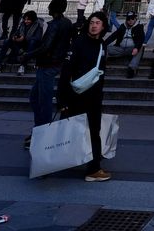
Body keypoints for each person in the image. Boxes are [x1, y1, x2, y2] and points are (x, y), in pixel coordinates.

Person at [61, 12, 111, 182]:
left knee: (94, 131)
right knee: (69, 131)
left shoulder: (102, 45)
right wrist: (62, 99)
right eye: (91, 22)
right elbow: (66, 70)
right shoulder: (79, 42)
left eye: (97, 23)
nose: (94, 25)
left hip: (94, 96)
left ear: (103, 26)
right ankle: (48, 161)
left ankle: (94, 167)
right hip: (76, 95)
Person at [22, 0, 73, 129]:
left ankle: (43, 130)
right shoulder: (67, 23)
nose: (48, 8)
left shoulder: (54, 25)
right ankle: (39, 127)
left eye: (50, 6)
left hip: (47, 65)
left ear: (53, 9)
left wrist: (27, 55)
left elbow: (46, 46)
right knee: (35, 97)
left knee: (43, 101)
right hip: (55, 63)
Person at [104, 11, 144, 78]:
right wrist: (103, 44)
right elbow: (113, 36)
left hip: (132, 50)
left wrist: (136, 47)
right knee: (105, 48)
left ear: (135, 19)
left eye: (132, 19)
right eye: (128, 19)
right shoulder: (122, 26)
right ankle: (101, 66)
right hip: (120, 49)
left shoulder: (139, 27)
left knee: (140, 48)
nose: (130, 21)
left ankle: (131, 69)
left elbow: (141, 39)